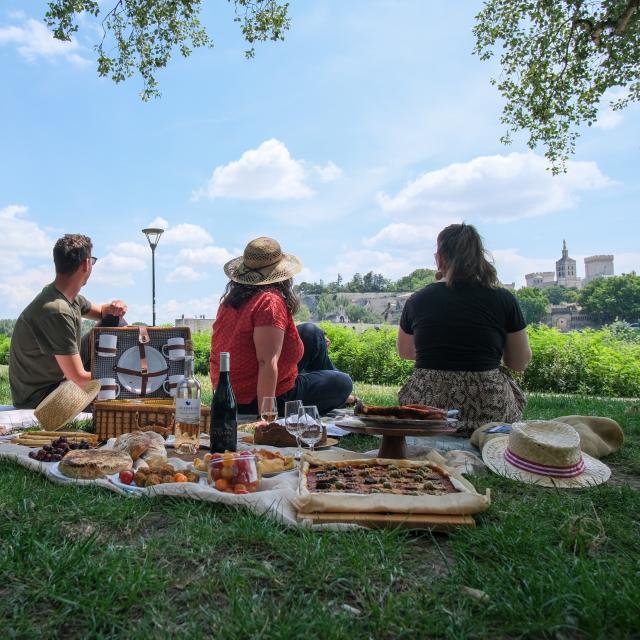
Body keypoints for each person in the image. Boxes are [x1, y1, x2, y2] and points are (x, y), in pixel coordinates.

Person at [397, 223, 532, 433]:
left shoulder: (418, 300)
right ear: (479, 257)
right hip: (489, 414)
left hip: (427, 413)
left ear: (440, 259)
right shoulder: (503, 299)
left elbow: (405, 352)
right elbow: (519, 362)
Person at [210, 236, 353, 416]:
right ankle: (339, 395)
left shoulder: (232, 301)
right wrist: (266, 415)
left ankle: (335, 395)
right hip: (256, 398)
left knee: (311, 333)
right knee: (342, 382)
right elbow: (266, 362)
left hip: (232, 392)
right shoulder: (270, 301)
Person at [9, 234, 127, 409]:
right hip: (40, 397)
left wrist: (115, 307)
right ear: (86, 264)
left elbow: (103, 312)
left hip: (59, 381)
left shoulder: (67, 298)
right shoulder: (57, 310)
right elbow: (79, 379)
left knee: (116, 321)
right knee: (116, 401)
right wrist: (124, 377)